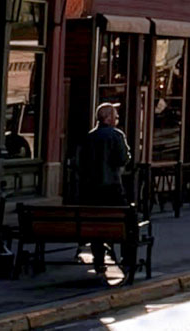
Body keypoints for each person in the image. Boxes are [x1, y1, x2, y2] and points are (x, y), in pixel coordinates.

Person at [77, 103, 130, 273]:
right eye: (115, 117)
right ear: (107, 118)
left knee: (95, 224)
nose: (117, 120)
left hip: (91, 190)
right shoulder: (116, 135)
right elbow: (122, 159)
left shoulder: (89, 137)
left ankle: (98, 258)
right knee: (125, 222)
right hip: (112, 188)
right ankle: (126, 259)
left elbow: (80, 163)